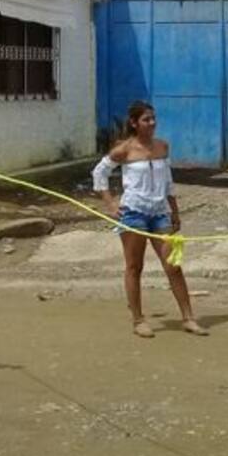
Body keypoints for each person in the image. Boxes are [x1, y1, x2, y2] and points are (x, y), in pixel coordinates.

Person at [93, 101, 206, 339]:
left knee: (173, 266)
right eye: (146, 119)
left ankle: (188, 318)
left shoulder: (162, 147)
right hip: (133, 212)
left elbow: (168, 181)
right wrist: (111, 204)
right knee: (135, 267)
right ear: (134, 123)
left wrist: (174, 211)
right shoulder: (124, 150)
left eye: (153, 119)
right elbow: (99, 173)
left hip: (159, 212)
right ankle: (138, 319)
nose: (152, 123)